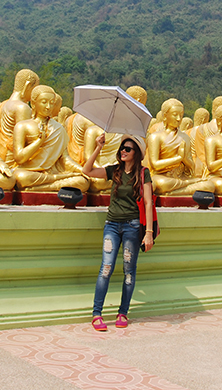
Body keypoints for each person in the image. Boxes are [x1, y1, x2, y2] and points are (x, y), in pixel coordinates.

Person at [82, 133, 154, 332]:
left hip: (132, 226)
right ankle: (97, 314)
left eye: (128, 148)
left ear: (136, 153)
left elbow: (148, 203)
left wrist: (148, 232)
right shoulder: (114, 171)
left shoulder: (143, 173)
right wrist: (98, 147)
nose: (123, 151)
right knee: (106, 268)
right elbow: (86, 170)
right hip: (112, 225)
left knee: (129, 272)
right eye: (122, 148)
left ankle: (123, 312)